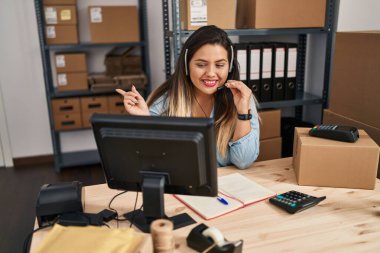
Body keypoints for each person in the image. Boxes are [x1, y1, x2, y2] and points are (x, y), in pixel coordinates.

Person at [116, 25, 259, 169]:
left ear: (229, 67)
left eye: (219, 65)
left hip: (228, 187)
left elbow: (243, 161)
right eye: (201, 64)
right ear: (186, 64)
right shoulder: (165, 103)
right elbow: (150, 160)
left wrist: (242, 113)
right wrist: (144, 121)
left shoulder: (242, 99)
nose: (211, 73)